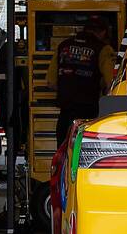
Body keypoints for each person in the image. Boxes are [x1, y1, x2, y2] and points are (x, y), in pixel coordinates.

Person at [44, 15, 116, 147]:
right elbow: (110, 83)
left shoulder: (63, 46)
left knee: (63, 153)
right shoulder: (103, 49)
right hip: (89, 113)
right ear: (104, 32)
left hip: (65, 114)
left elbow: (51, 82)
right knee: (84, 154)